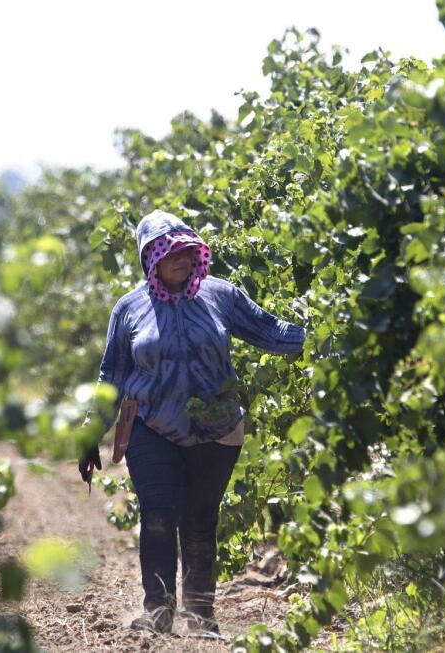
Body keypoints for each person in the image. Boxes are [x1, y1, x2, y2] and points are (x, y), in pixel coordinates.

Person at [78, 210, 305, 636]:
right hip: (151, 426)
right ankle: (159, 610)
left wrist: (330, 338)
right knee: (159, 516)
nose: (181, 258)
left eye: (187, 249)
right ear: (151, 258)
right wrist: (92, 432)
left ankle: (201, 616)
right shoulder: (129, 309)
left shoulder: (220, 295)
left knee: (200, 521)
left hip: (216, 428)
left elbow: (271, 332)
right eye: (170, 251)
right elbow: (111, 375)